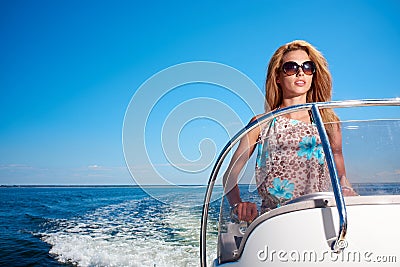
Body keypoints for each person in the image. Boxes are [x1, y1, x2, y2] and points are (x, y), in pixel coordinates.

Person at [224, 40, 357, 223]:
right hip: (275, 222)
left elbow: (341, 176)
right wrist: (237, 205)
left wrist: (347, 189)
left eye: (307, 67)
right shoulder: (261, 124)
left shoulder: (328, 123)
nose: (300, 72)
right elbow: (229, 175)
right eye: (291, 67)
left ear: (313, 75)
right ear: (278, 77)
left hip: (321, 218)